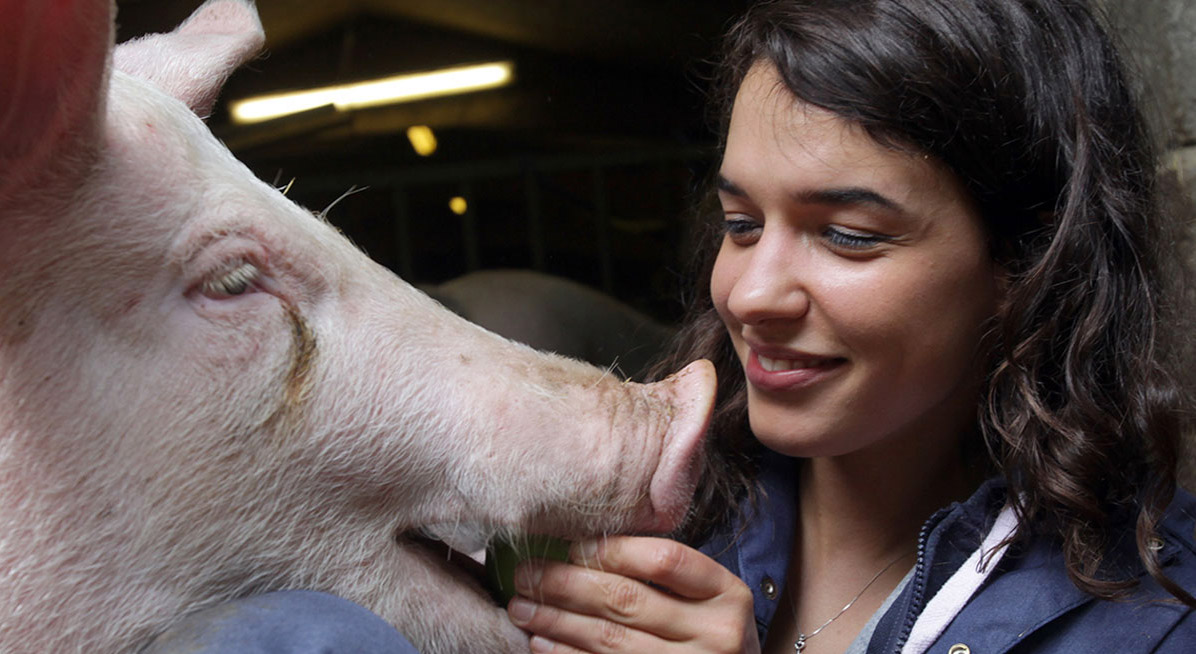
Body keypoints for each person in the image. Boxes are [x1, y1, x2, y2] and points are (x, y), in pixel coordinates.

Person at [501, 0, 1196, 653]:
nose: (750, 295)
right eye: (741, 225)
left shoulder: (1158, 616)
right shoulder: (628, 526)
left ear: (1028, 258)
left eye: (847, 235)